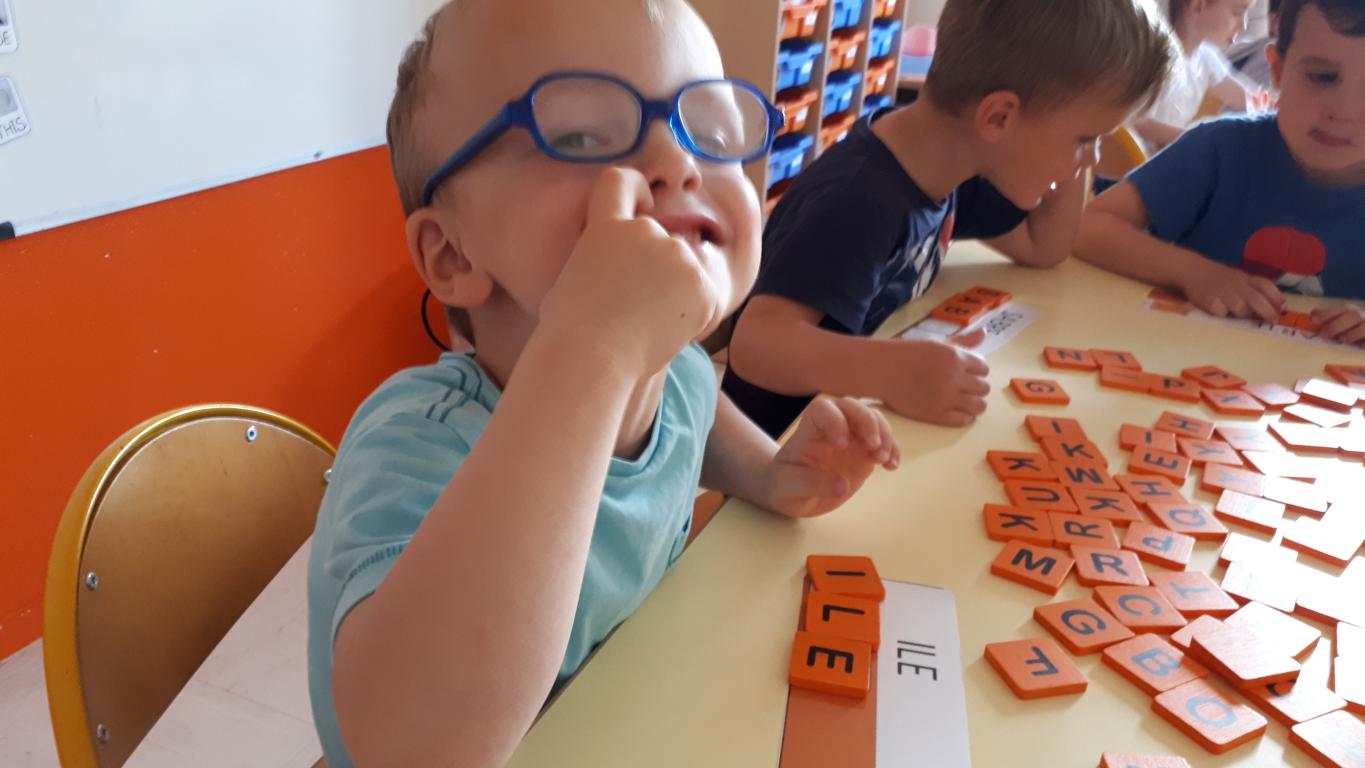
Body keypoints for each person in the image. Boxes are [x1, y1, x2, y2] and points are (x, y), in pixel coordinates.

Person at [306, 1, 904, 766]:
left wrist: (775, 474)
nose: (677, 163)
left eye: (710, 131)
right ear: (452, 254)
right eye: (582, 136)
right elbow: (412, 751)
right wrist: (593, 345)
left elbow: (696, 432)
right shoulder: (413, 447)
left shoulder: (677, 373)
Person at [722, 0, 1175, 438]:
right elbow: (756, 345)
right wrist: (890, 370)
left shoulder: (951, 165)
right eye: (1086, 140)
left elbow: (1044, 246)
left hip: (849, 434)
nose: (1091, 160)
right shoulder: (857, 201)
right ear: (998, 118)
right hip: (768, 458)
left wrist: (1069, 157)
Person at [1077, 0, 1365, 344]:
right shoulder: (1219, 148)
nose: (1344, 112)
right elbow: (1088, 227)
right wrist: (1192, 271)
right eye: (1322, 77)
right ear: (1277, 71)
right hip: (1181, 359)